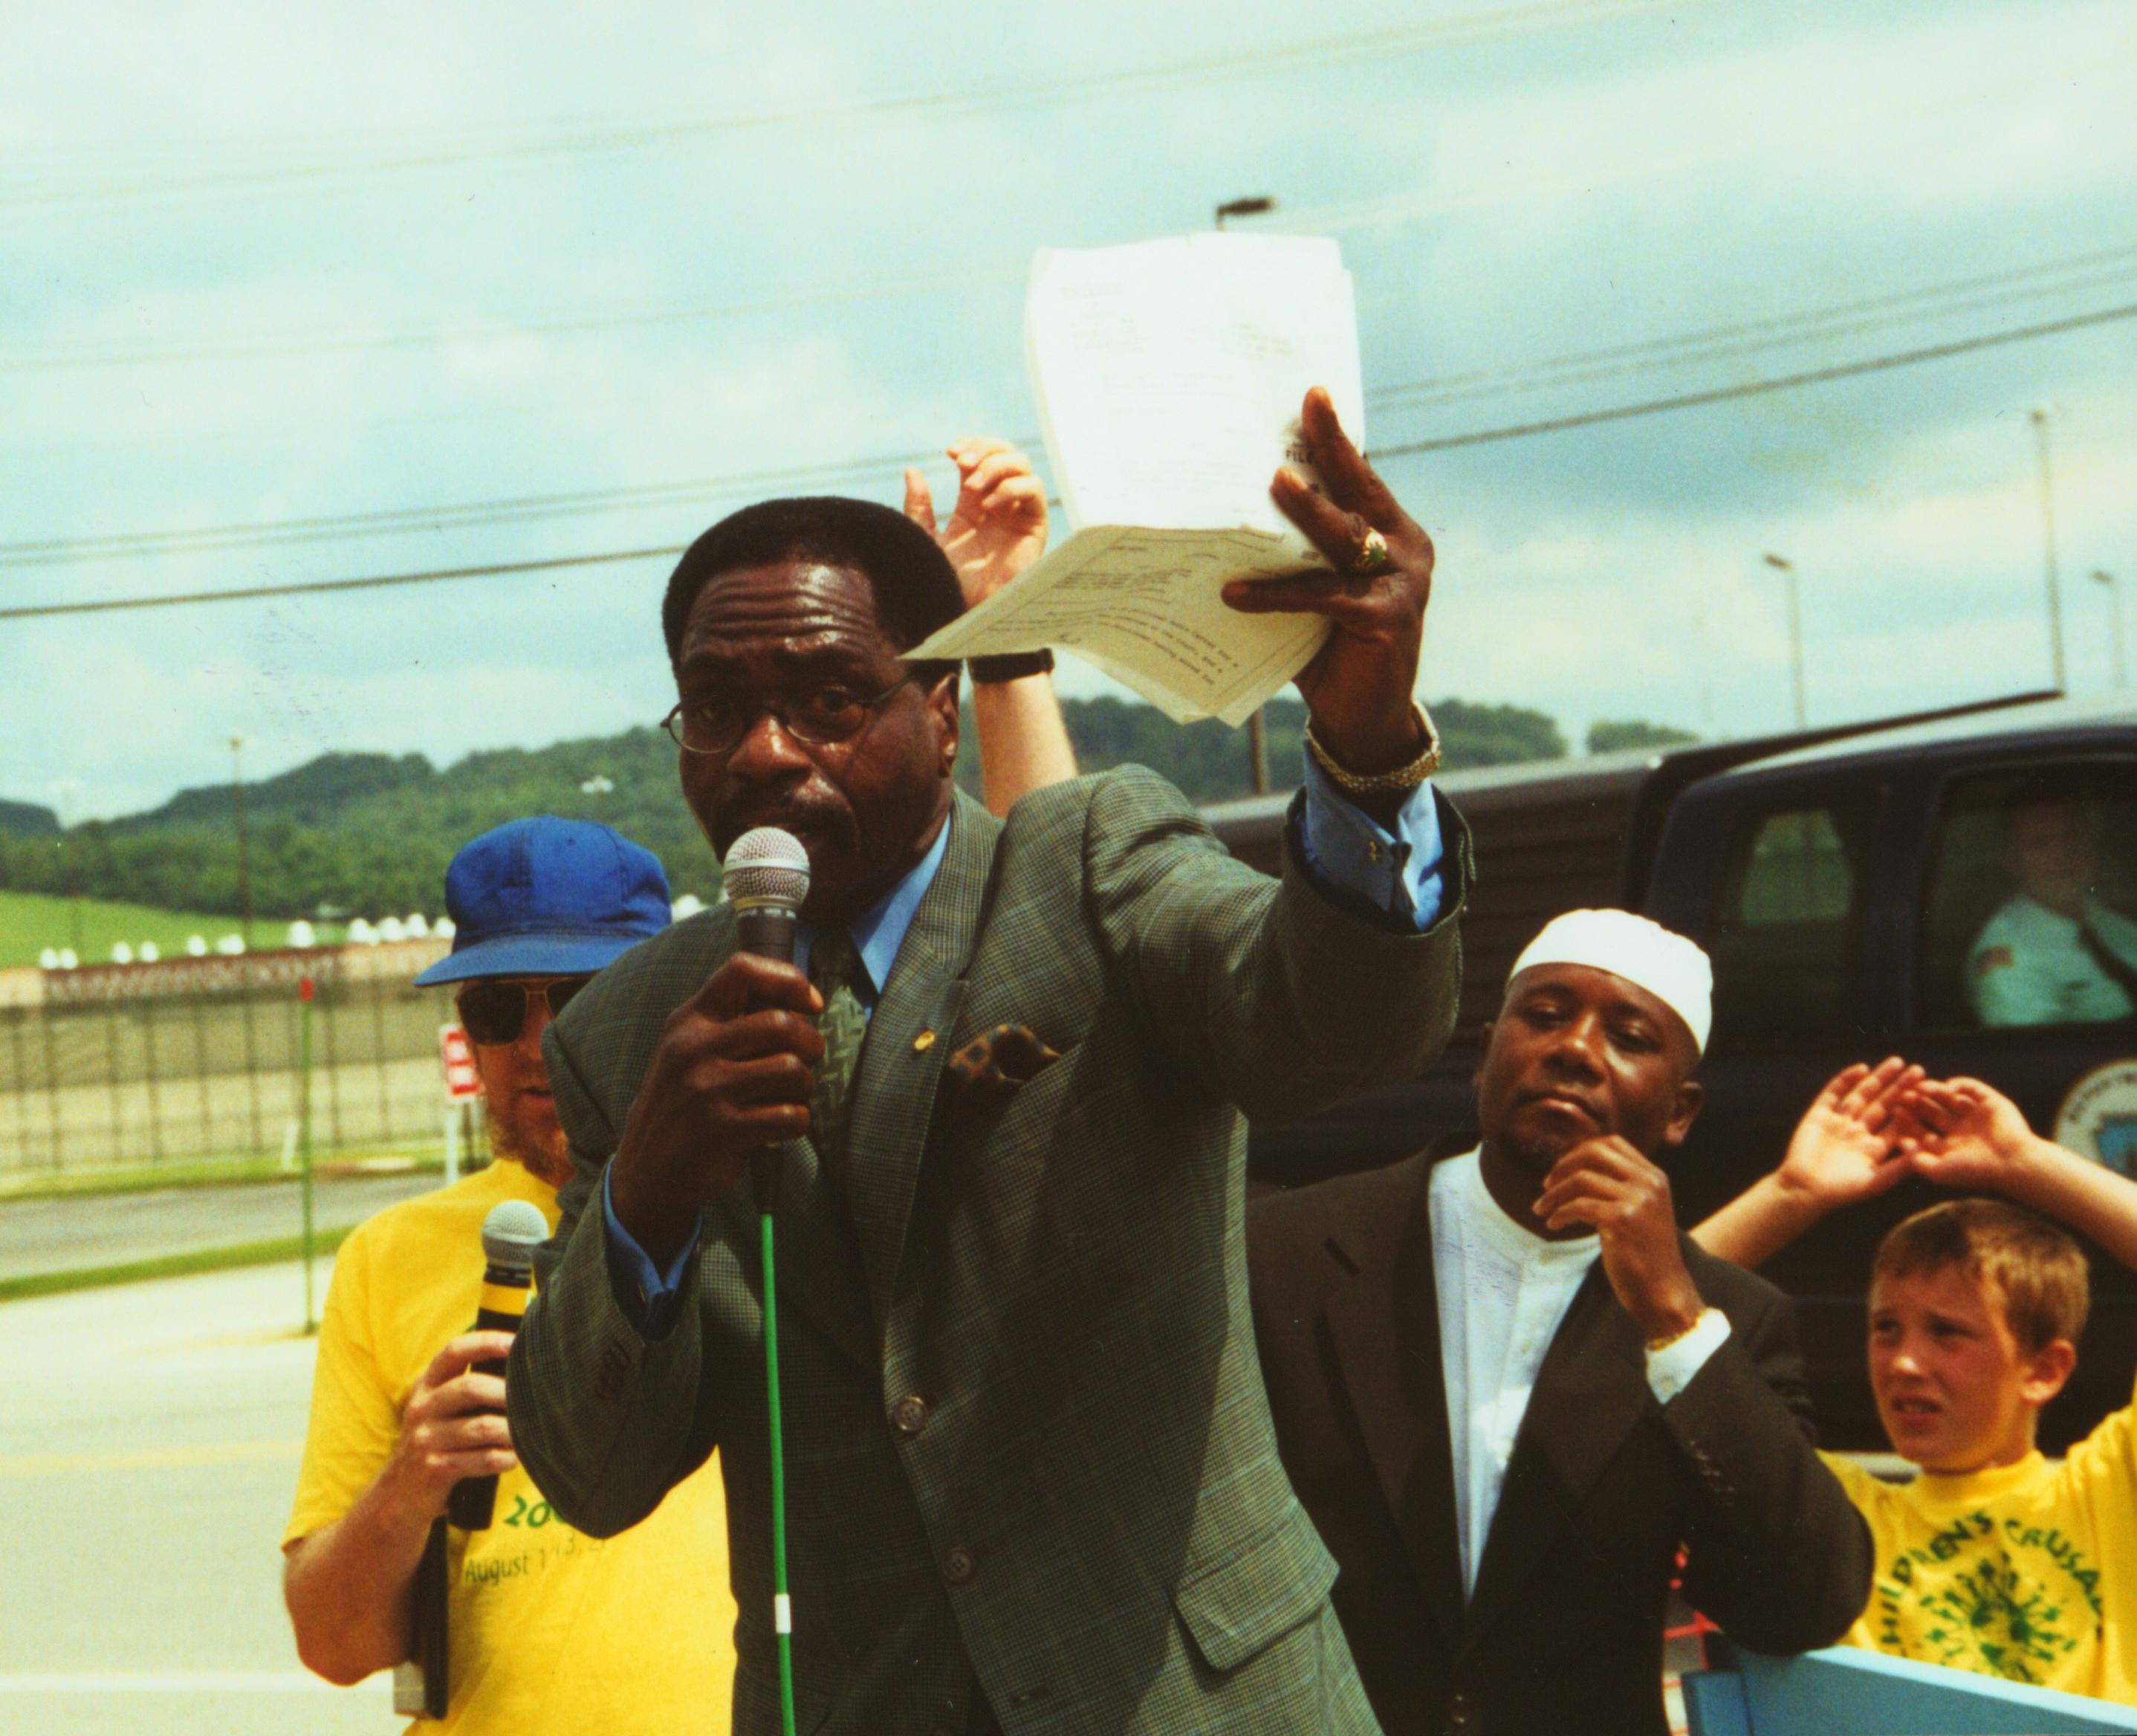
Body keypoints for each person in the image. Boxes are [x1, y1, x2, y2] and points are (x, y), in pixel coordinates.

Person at [507, 386, 1469, 1735]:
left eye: (832, 699)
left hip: (1193, 1699)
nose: (767, 753)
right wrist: (649, 1191)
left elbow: (1334, 1026)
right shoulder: (629, 1038)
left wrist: (1367, 754)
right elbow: (587, 1473)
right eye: (715, 708)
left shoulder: (1081, 871)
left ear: (944, 708)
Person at [1251, 908, 1872, 1736]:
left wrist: (1676, 1322)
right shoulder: (1292, 1251)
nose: (1575, 1047)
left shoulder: (1729, 1321)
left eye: (1629, 1035)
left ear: (1680, 1111)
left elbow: (1803, 1603)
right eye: (1543, 1015)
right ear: (1486, 1051)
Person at [282, 816, 741, 1733]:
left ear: (660, 998)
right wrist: (410, 1482)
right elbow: (335, 1646)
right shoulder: (387, 1255)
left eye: (581, 994)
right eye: (498, 1007)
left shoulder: (755, 1201)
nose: (538, 1042)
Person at [1693, 1064, 2137, 1701]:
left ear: (2044, 1369)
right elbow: (1609, 1343)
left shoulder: (2113, 1489)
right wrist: (1792, 1193)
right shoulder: (1836, 1512)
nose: (1903, 1362)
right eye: (1886, 1328)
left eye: (1948, 1333)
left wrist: (2029, 1161)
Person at [1970, 788, 2137, 1026]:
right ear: (2012, 861)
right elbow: (2041, 1059)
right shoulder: (2010, 957)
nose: (2062, 854)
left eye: (2071, 836)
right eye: (2040, 843)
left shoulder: (2107, 920)